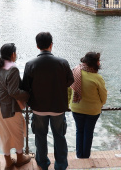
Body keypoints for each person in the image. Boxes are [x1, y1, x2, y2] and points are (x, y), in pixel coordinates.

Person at [22, 32, 74, 170]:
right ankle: (61, 165)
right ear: (51, 45)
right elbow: (70, 81)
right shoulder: (63, 62)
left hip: (38, 107)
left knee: (40, 136)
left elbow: (25, 87)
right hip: (58, 107)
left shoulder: (30, 64)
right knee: (59, 136)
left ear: (37, 46)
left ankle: (42, 162)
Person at [0, 43, 31, 169]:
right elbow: (13, 92)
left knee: (4, 135)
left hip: (0, 107)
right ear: (13, 54)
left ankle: (8, 162)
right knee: (18, 133)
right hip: (11, 109)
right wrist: (27, 95)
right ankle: (20, 159)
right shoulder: (13, 69)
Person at [68, 52, 107, 158]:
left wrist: (68, 103)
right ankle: (85, 157)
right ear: (95, 63)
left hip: (76, 108)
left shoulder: (74, 72)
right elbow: (103, 97)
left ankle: (79, 156)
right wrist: (100, 104)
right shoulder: (98, 78)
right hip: (93, 111)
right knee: (88, 133)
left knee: (79, 131)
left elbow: (68, 90)